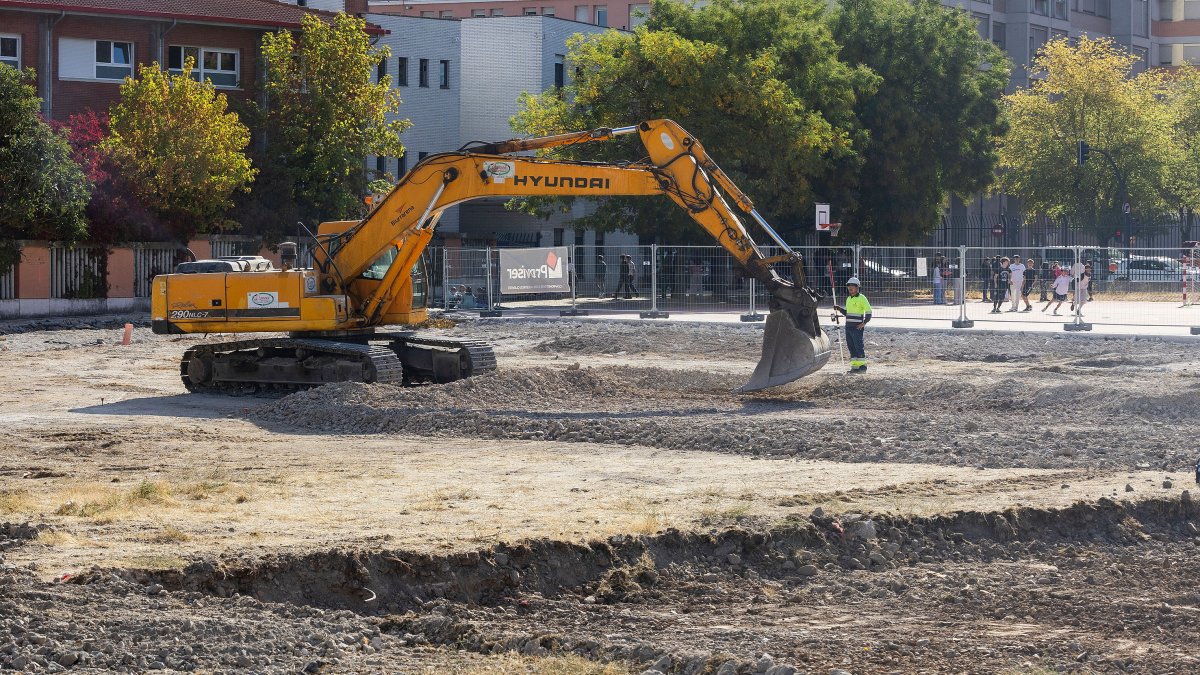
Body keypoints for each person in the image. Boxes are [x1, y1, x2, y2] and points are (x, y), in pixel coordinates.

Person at [834, 276, 872, 373]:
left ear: (857, 287)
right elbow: (847, 313)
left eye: (852, 285)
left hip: (857, 328)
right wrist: (839, 309)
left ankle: (862, 367)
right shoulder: (848, 299)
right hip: (848, 327)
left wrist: (864, 323)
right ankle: (855, 367)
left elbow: (869, 312)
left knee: (858, 346)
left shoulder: (862, 298)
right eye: (848, 286)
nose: (850, 287)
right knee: (851, 347)